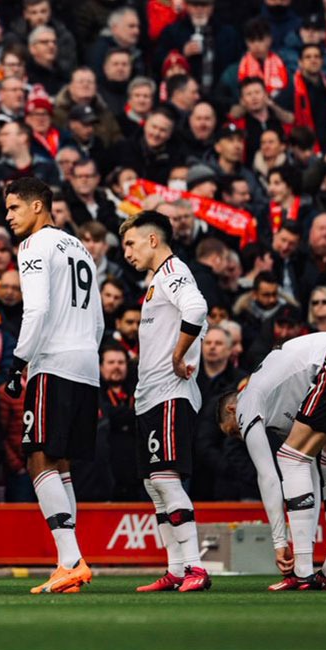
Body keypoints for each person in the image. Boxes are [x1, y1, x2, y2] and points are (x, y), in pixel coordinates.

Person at [216, 331, 326, 590]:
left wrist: (279, 543)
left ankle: (302, 573)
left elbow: (268, 477)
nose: (239, 436)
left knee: (288, 458)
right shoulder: (282, 399)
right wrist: (304, 541)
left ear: (232, 410)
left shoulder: (246, 399)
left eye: (233, 431)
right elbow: (310, 475)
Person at [2, 177, 104, 594]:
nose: (8, 217)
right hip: (86, 362)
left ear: (38, 207)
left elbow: (38, 307)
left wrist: (18, 361)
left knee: (38, 457)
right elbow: (97, 318)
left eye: (14, 208)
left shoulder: (33, 246)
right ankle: (70, 560)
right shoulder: (79, 248)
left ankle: (70, 559)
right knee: (60, 463)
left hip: (54, 362)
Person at [119, 212, 211, 594]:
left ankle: (196, 567)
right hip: (151, 396)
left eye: (131, 243)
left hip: (171, 394)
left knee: (164, 477)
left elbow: (197, 310)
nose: (126, 252)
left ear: (153, 240)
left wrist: (178, 355)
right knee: (153, 483)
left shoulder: (173, 272)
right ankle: (175, 568)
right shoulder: (157, 279)